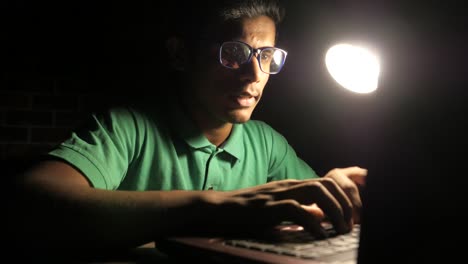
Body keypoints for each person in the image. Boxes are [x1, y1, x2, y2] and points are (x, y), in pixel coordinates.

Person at [12, 0, 367, 257]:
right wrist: (215, 207)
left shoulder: (266, 142)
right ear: (181, 55)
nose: (254, 75)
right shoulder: (130, 126)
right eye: (233, 53)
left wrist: (335, 191)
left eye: (266, 56)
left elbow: (305, 207)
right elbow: (30, 203)